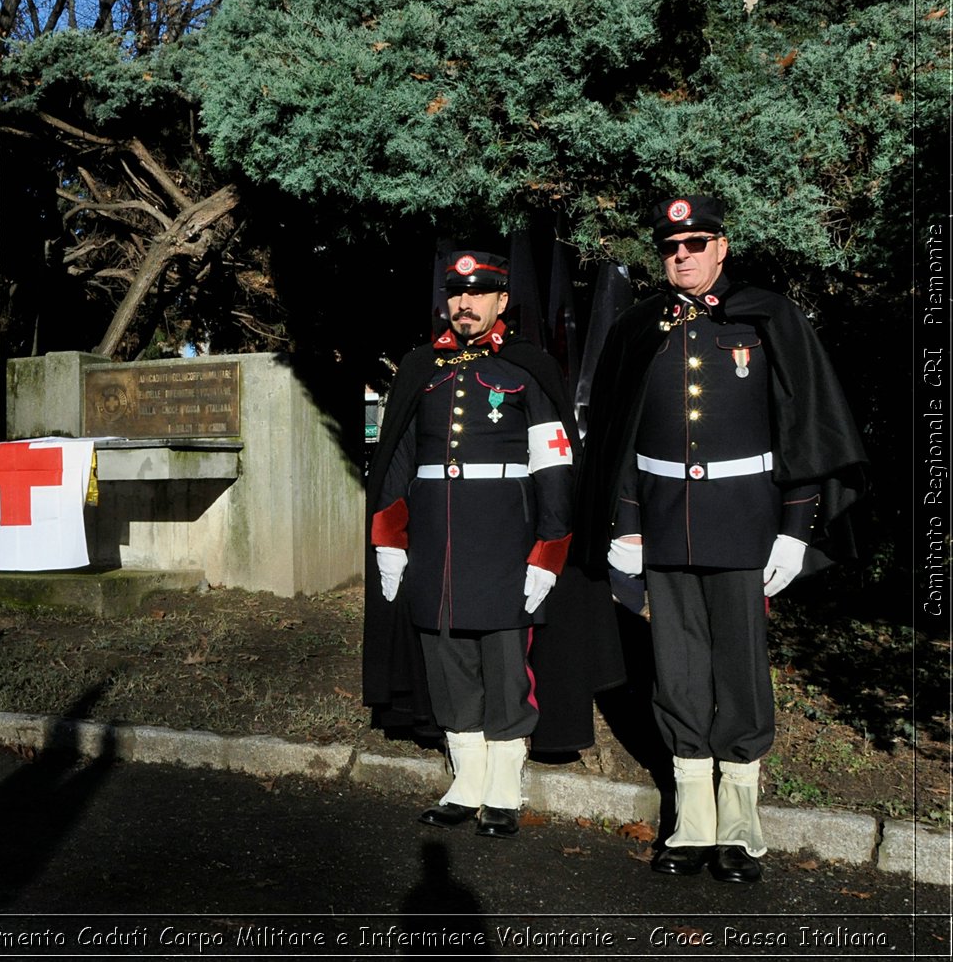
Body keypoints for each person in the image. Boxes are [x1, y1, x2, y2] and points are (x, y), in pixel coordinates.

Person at [578, 195, 866, 883]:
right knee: (676, 669)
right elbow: (621, 438)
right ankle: (692, 819)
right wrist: (625, 525)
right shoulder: (639, 326)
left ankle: (739, 820)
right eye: (671, 246)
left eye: (697, 243)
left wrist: (795, 530)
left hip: (744, 528)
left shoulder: (768, 317)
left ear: (722, 246)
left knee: (739, 668)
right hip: (665, 525)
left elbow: (800, 429)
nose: (683, 255)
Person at [366, 249, 580, 838]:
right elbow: (397, 462)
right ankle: (467, 779)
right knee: (447, 656)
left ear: (500, 301)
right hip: (436, 543)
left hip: (506, 543)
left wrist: (550, 548)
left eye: (479, 293)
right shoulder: (421, 369)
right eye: (457, 294)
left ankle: (505, 785)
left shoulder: (527, 369)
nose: (465, 303)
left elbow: (554, 465)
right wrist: (390, 540)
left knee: (506, 662)